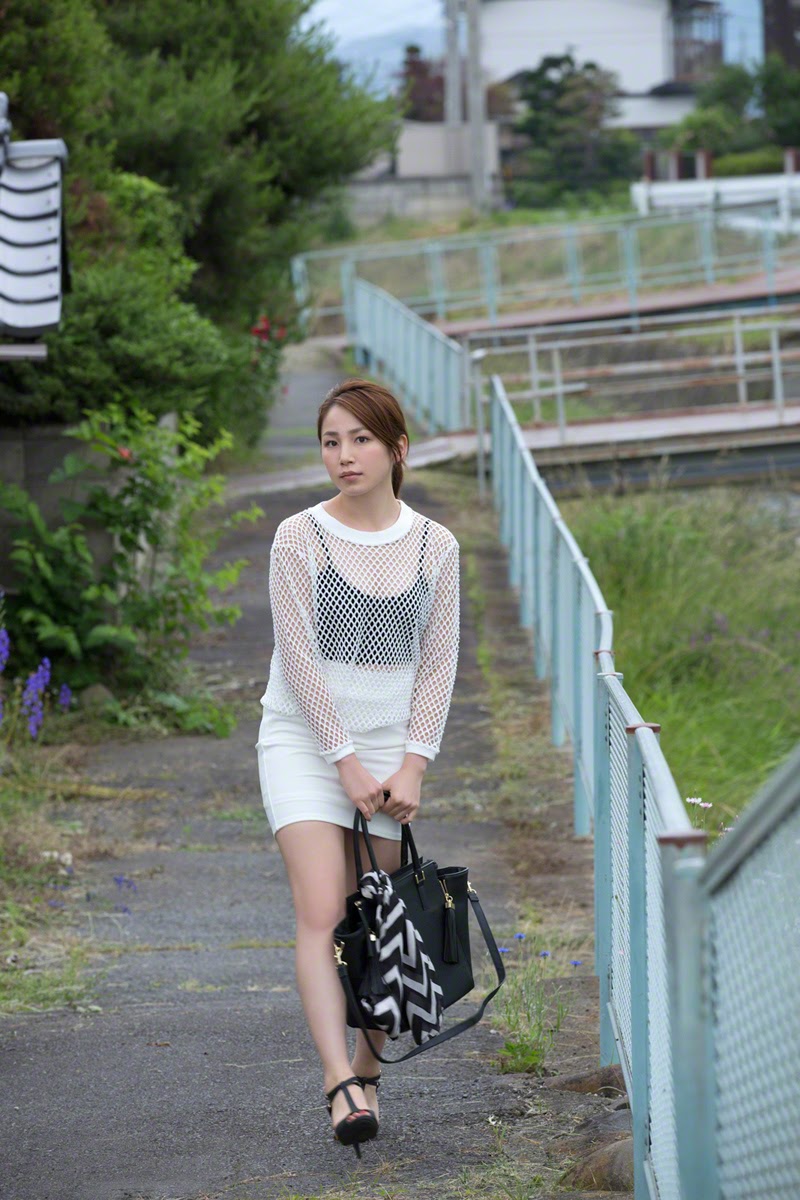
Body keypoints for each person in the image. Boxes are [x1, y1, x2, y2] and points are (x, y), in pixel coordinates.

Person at [255, 378, 460, 1157]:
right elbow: (299, 660)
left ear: (397, 449)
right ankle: (338, 1081)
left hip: (390, 752)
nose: (344, 455)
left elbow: (438, 665)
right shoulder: (298, 537)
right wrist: (342, 761)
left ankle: (371, 1070)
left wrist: (414, 765)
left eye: (361, 440)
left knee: (379, 916)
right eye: (331, 442)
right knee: (320, 910)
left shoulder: (436, 545)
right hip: (304, 745)